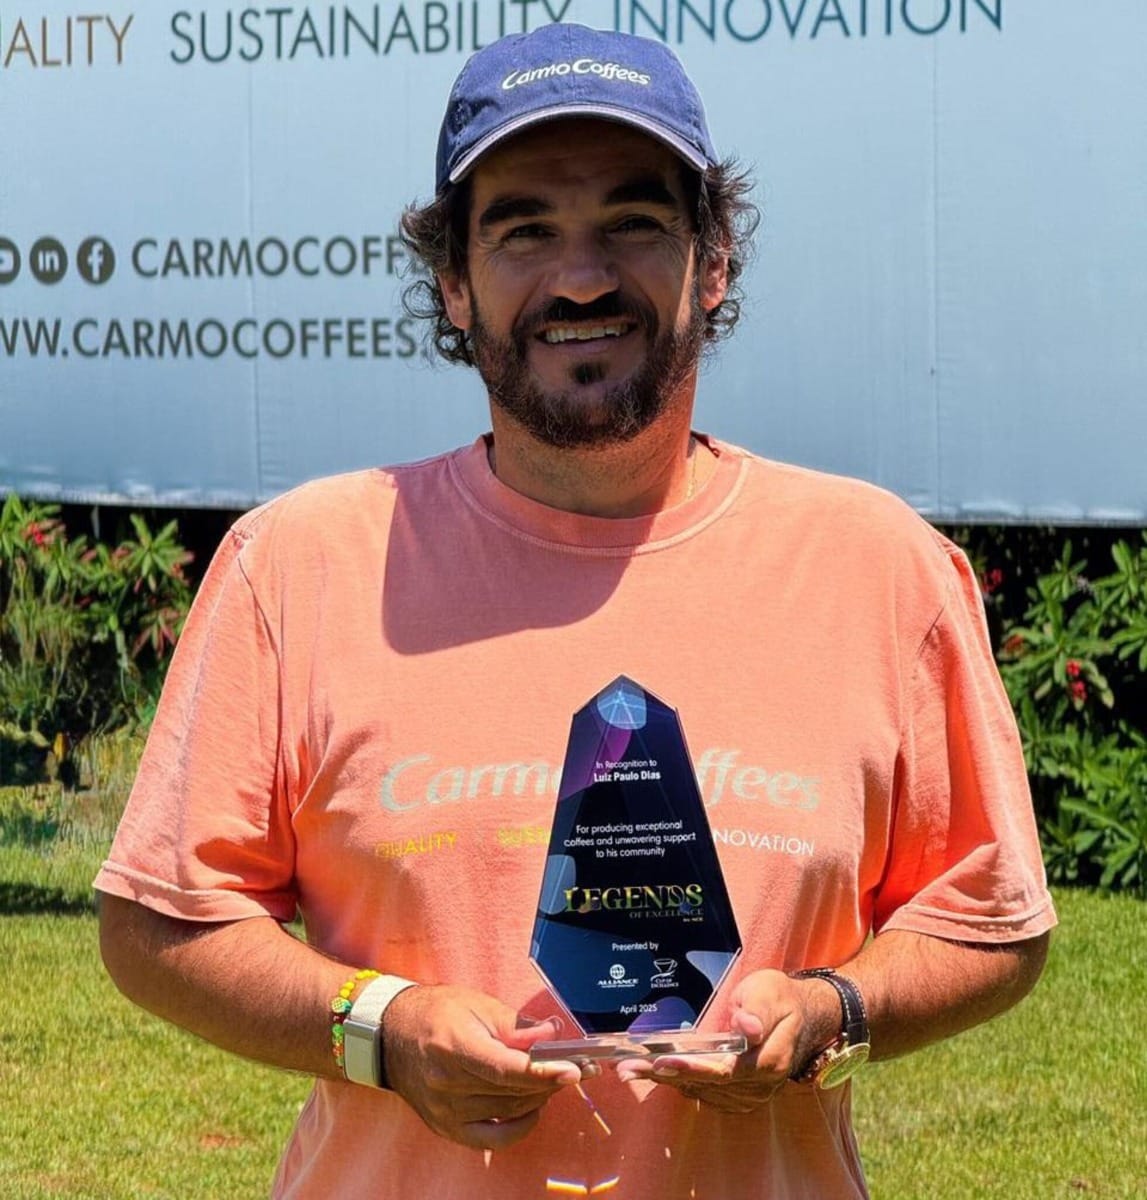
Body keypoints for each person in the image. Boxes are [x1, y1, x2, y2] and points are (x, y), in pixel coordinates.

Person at [96, 22, 1056, 1199]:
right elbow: (161, 924)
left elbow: (989, 918)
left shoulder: (877, 568)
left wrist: (834, 1012)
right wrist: (381, 1030)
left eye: (633, 224)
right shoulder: (299, 567)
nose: (583, 276)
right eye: (524, 232)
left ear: (713, 262)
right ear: (454, 282)